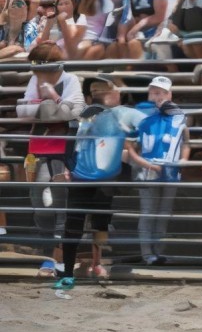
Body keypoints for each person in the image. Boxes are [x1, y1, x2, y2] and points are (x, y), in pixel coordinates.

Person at [55, 78, 146, 289]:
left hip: (102, 179)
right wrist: (70, 168)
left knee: (99, 224)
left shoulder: (120, 114)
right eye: (97, 90)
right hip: (82, 178)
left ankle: (95, 264)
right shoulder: (82, 117)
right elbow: (70, 144)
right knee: (74, 226)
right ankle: (68, 271)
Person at [16, 43, 85, 277]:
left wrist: (52, 98)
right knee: (40, 208)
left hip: (62, 151)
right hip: (36, 150)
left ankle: (60, 260)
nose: (35, 72)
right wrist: (48, 105)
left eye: (39, 66)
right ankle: (46, 259)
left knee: (60, 206)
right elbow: (22, 111)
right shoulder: (35, 80)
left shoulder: (71, 79)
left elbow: (72, 112)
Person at [126, 76, 189, 265]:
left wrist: (184, 160)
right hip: (147, 171)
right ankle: (147, 254)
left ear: (169, 94)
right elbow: (129, 146)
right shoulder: (140, 114)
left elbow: (186, 141)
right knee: (148, 211)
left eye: (161, 92)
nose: (157, 96)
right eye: (154, 92)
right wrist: (146, 165)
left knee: (164, 212)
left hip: (171, 170)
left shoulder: (180, 115)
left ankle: (158, 252)